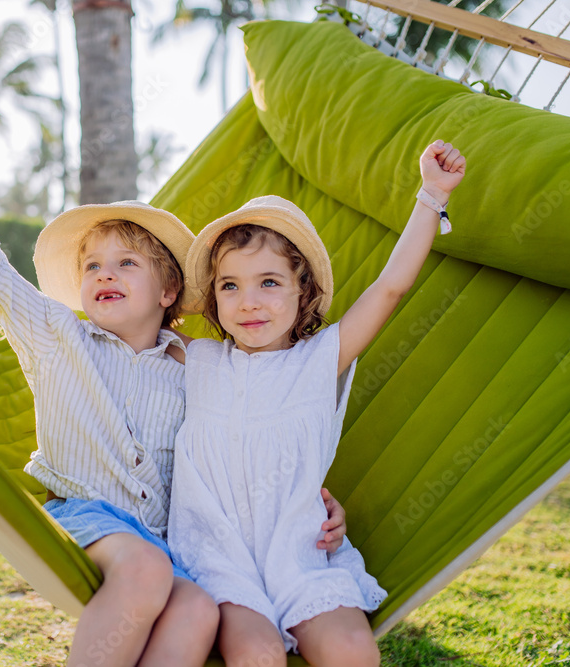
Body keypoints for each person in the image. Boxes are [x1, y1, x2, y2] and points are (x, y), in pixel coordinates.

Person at [0, 113, 348, 667]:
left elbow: (252, 438)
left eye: (125, 263)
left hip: (169, 541)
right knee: (145, 571)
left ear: (169, 289)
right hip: (85, 516)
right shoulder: (56, 335)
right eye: (92, 265)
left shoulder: (200, 366)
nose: (103, 274)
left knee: (197, 612)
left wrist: (311, 502)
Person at [168, 140, 466, 666]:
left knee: (352, 649)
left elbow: (391, 287)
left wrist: (431, 196)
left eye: (269, 282)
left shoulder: (320, 360)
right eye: (230, 286)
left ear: (303, 291)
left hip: (301, 552)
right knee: (256, 652)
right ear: (213, 298)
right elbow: (129, 329)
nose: (249, 301)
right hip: (218, 558)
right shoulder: (197, 360)